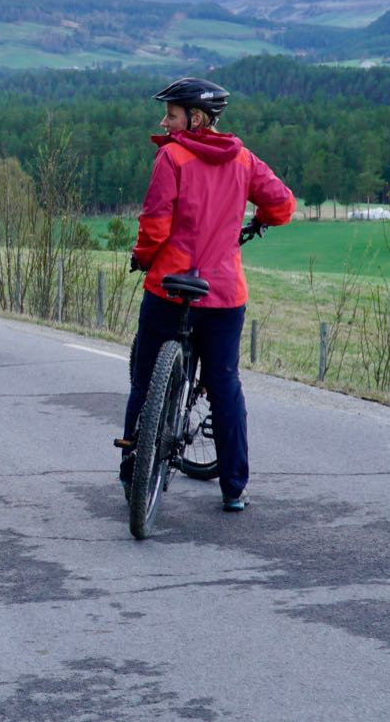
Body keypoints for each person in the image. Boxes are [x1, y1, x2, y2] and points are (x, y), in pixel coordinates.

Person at [120, 78, 295, 512]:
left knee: (145, 379)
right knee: (224, 384)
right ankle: (234, 487)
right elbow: (282, 205)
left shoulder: (172, 156)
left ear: (194, 119)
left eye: (172, 114)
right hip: (223, 292)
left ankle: (131, 470)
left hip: (169, 286)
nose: (164, 121)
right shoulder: (244, 159)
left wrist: (142, 257)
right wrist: (259, 218)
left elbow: (156, 224)